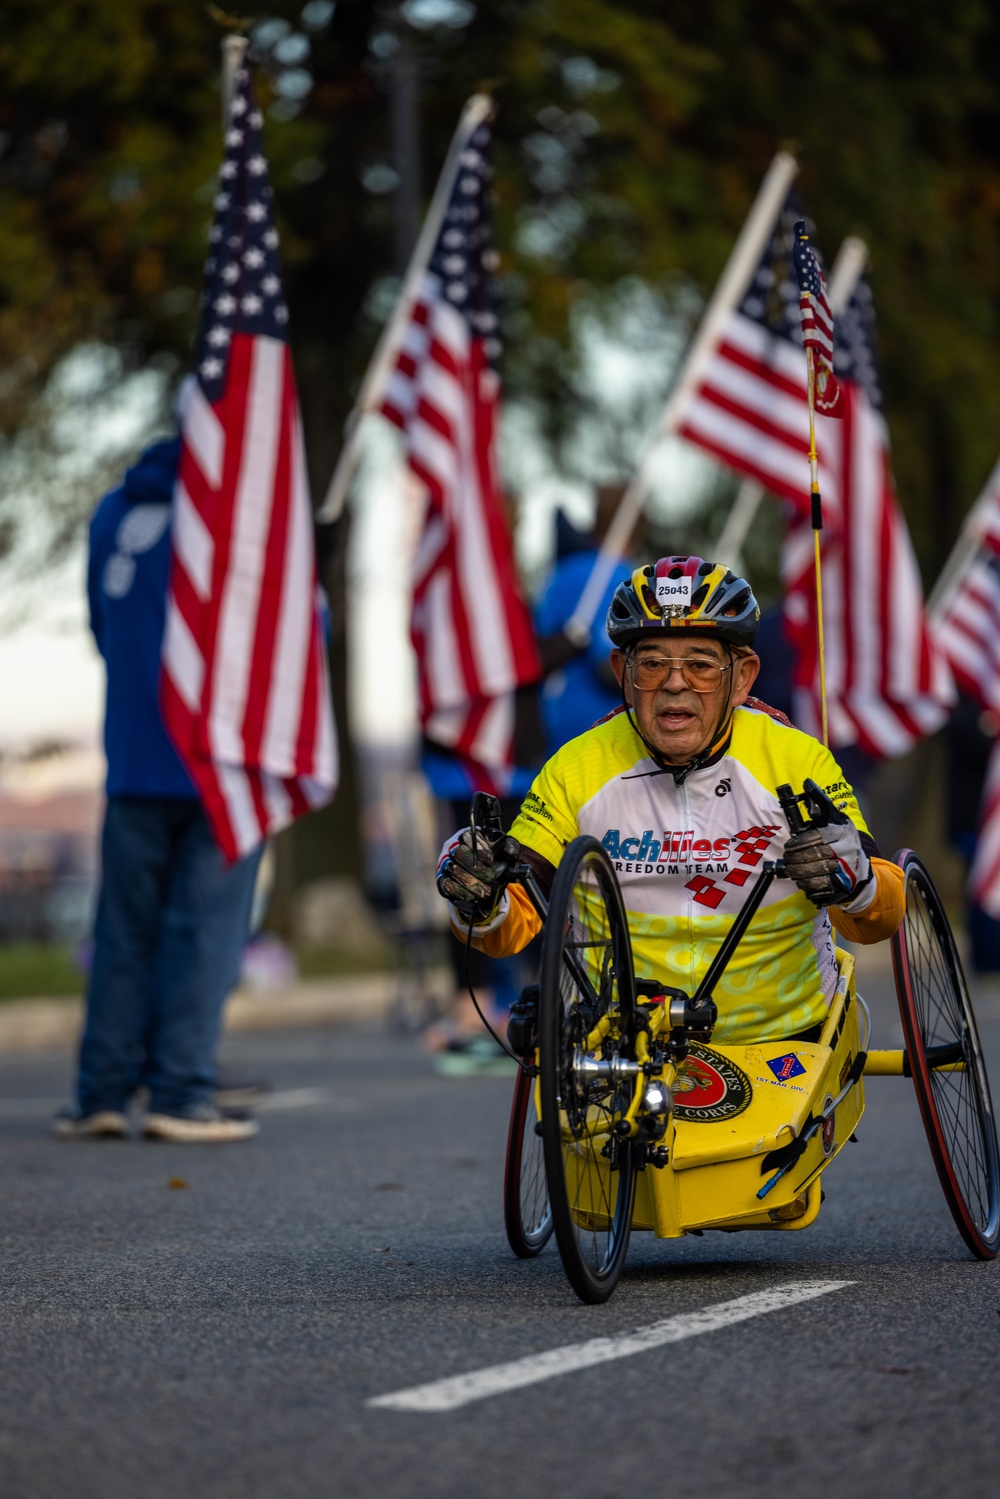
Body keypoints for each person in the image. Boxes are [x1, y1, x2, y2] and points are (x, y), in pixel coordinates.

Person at [437, 555, 905, 1043]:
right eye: (653, 663)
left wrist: (857, 883)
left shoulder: (797, 759)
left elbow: (879, 919)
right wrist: (479, 897)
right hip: (622, 1047)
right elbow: (510, 924)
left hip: (783, 1036)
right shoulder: (575, 769)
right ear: (622, 671)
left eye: (700, 664)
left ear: (742, 677)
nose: (675, 683)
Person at [55, 437, 263, 1142]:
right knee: (203, 930)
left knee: (123, 931)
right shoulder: (237, 511)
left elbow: (100, 626)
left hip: (136, 750)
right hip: (219, 756)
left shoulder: (115, 511)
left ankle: (102, 1091)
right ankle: (179, 1086)